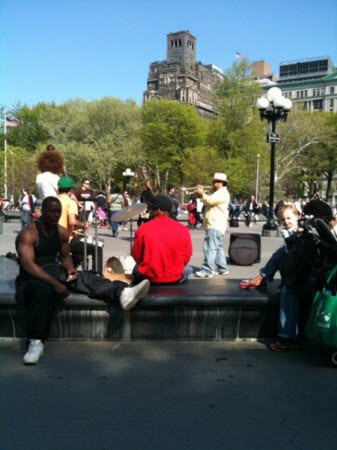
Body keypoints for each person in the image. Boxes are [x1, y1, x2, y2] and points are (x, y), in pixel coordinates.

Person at [15, 196, 150, 365]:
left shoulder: (62, 232)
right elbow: (28, 265)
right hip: (32, 276)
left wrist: (71, 268)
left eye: (59, 211)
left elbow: (65, 258)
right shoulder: (28, 233)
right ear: (43, 212)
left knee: (82, 276)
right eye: (52, 211)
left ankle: (122, 292)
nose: (57, 214)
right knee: (42, 290)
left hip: (53, 270)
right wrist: (55, 283)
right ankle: (35, 342)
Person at [131, 195, 193, 284]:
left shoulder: (143, 229)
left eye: (152, 209)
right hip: (175, 278)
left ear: (159, 210)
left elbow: (136, 255)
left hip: (150, 278)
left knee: (135, 269)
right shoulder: (183, 229)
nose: (149, 211)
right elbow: (187, 256)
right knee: (188, 269)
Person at [57, 176, 103, 274]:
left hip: (54, 239)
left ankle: (71, 269)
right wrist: (83, 224)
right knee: (97, 249)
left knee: (79, 252)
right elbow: (72, 222)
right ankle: (96, 276)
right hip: (66, 241)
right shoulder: (70, 202)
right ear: (70, 189)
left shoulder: (54, 200)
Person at [194, 173, 230, 278]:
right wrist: (202, 195)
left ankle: (207, 270)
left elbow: (210, 200)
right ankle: (222, 268)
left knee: (210, 247)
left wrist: (201, 194)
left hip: (215, 224)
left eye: (215, 182)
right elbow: (209, 201)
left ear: (220, 183)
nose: (213, 184)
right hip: (217, 224)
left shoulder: (222, 193)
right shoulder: (220, 193)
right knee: (217, 247)